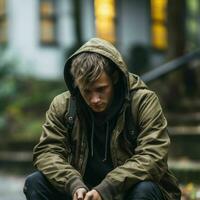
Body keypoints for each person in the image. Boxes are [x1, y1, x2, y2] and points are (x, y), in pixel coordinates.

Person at [23, 38, 181, 200]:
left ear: (114, 78)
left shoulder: (143, 101)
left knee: (145, 190)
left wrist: (107, 188)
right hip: (82, 193)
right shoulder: (63, 105)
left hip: (125, 191)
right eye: (87, 91)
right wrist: (73, 184)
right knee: (35, 182)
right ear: (77, 85)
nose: (95, 99)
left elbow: (153, 155)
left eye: (101, 89)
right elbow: (48, 151)